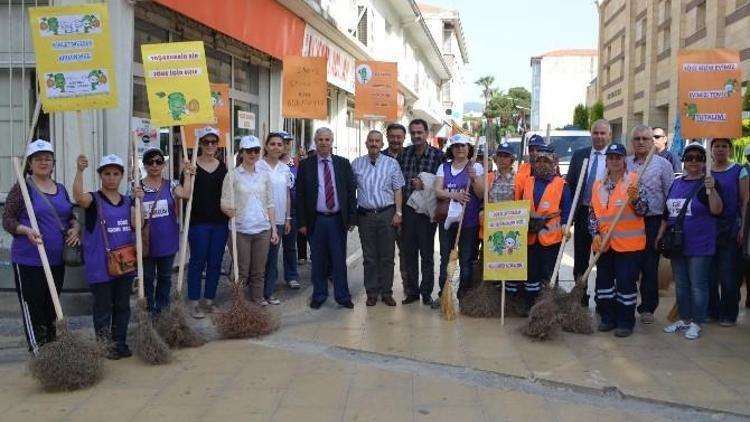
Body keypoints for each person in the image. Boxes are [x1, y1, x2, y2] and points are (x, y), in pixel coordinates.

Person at [2, 140, 80, 355]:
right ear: (30, 163)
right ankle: (40, 354)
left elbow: (70, 217)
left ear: (53, 163)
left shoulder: (61, 188)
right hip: (29, 260)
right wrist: (25, 230)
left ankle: (53, 350)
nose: (43, 162)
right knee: (34, 308)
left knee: (51, 308)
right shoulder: (22, 188)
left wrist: (76, 228)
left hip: (56, 260)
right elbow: (7, 219)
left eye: (47, 158)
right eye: (38, 159)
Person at [74, 153, 139, 359]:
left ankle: (120, 342)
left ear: (121, 176)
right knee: (103, 308)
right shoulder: (93, 199)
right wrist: (79, 171)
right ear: (100, 175)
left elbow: (138, 224)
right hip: (100, 265)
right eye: (107, 174)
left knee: (122, 306)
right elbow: (78, 197)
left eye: (116, 174)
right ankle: (104, 345)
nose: (111, 178)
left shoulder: (128, 200)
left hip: (124, 263)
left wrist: (140, 202)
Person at [659, 143, 723, 340]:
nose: (693, 161)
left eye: (698, 157)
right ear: (684, 161)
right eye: (689, 158)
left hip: (700, 244)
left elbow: (717, 210)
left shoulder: (709, 183)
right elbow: (667, 212)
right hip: (678, 244)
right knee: (682, 285)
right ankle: (685, 319)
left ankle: (697, 322)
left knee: (698, 285)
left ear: (704, 162)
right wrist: (660, 235)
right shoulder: (676, 183)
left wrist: (712, 190)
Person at [589, 143, 649, 338]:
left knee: (625, 284)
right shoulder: (598, 184)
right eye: (611, 157)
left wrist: (635, 199)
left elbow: (644, 210)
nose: (614, 161)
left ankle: (625, 322)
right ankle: (608, 318)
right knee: (604, 284)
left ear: (624, 160)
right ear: (606, 160)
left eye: (618, 157)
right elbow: (593, 213)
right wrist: (595, 234)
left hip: (629, 246)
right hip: (604, 244)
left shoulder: (634, 181)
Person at [296, 127, 357, 309]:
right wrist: (302, 222)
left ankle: (342, 296)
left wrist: (352, 218)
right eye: (320, 139)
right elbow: (300, 195)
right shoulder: (306, 165)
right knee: (318, 260)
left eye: (327, 139)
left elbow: (350, 192)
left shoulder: (343, 163)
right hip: (317, 220)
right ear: (315, 141)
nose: (323, 142)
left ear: (332, 142)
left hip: (338, 219)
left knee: (339, 259)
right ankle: (319, 294)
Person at [221, 135, 278, 305]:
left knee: (259, 270)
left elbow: (270, 202)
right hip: (240, 230)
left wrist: (274, 229)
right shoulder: (232, 175)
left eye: (256, 151)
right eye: (249, 151)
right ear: (241, 153)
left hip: (262, 229)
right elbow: (224, 201)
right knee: (242, 270)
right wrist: (227, 210)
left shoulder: (264, 175)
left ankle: (258, 298)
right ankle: (239, 301)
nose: (253, 154)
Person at [626, 125, 674, 324]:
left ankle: (647, 307)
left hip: (653, 221)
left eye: (645, 138)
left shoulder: (663, 165)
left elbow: (670, 195)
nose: (641, 142)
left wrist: (665, 227)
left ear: (652, 141)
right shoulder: (625, 163)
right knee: (629, 265)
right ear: (632, 142)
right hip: (628, 221)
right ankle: (626, 304)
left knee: (648, 265)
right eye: (637, 138)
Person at [515, 144, 572, 313]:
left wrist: (565, 225)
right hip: (530, 236)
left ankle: (549, 305)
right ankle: (530, 304)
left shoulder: (561, 184)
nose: (542, 164)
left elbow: (567, 208)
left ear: (554, 163)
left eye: (546, 161)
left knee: (549, 274)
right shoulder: (527, 182)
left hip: (551, 238)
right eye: (539, 161)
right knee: (531, 272)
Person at [138, 148, 194, 316]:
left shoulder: (172, 185)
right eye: (150, 162)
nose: (154, 165)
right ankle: (148, 311)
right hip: (146, 243)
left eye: (158, 161)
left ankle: (162, 311)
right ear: (145, 165)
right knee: (147, 278)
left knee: (165, 278)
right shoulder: (136, 187)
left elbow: (185, 194)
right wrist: (138, 200)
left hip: (167, 242)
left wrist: (189, 174)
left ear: (163, 164)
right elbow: (133, 216)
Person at [352, 130, 405, 306]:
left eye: (377, 141)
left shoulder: (392, 164)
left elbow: (398, 189)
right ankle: (372, 292)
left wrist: (398, 213)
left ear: (382, 144)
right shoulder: (356, 164)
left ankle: (386, 292)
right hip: (365, 216)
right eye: (371, 140)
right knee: (369, 257)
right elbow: (350, 190)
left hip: (386, 214)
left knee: (387, 256)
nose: (374, 143)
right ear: (366, 143)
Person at [434, 134, 484, 306]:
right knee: (445, 258)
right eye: (456, 146)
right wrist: (454, 194)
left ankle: (464, 294)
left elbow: (481, 194)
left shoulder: (475, 167)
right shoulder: (443, 167)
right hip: (447, 220)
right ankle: (444, 293)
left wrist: (474, 178)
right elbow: (438, 191)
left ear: (469, 148)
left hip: (468, 222)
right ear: (451, 149)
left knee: (466, 259)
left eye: (463, 146)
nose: (460, 149)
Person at [399, 119, 445, 305]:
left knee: (426, 254)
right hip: (408, 210)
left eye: (420, 132)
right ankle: (412, 291)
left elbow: (443, 182)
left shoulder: (438, 156)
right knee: (409, 252)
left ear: (427, 134)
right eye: (413, 133)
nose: (416, 136)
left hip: (428, 212)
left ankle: (426, 292)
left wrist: (425, 184)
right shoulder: (404, 154)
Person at [567, 119, 611, 307]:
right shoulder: (579, 156)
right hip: (583, 213)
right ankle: (580, 297)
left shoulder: (615, 157)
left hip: (604, 215)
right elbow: (570, 185)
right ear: (591, 135)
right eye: (596, 133)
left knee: (602, 258)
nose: (599, 136)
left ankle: (603, 299)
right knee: (580, 258)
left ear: (609, 135)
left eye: (603, 133)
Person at [185, 127, 229, 318]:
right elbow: (185, 193)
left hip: (220, 222)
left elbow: (228, 192)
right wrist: (187, 175)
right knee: (197, 261)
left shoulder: (223, 167)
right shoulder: (191, 167)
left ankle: (209, 300)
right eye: (206, 142)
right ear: (200, 144)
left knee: (215, 262)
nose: (210, 145)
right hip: (198, 222)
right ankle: (194, 301)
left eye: (213, 142)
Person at [707, 137, 747, 326]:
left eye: (724, 146)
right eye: (717, 146)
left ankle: (728, 314)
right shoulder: (705, 171)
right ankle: (711, 311)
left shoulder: (739, 170)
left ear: (729, 149)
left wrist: (743, 228)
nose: (720, 150)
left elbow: (745, 201)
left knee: (728, 273)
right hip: (707, 231)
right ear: (711, 149)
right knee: (710, 274)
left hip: (731, 229)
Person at [259, 132, 295, 304]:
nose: (276, 147)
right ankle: (255, 294)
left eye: (279, 145)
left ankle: (268, 292)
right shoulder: (258, 166)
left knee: (273, 259)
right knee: (259, 259)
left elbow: (287, 194)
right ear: (266, 146)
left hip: (279, 219)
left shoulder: (285, 168)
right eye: (272, 144)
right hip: (261, 219)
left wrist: (287, 218)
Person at [278, 131, 301, 289]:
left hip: (292, 212)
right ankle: (268, 277)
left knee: (290, 246)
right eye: (281, 142)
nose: (285, 146)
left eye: (287, 143)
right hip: (272, 212)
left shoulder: (297, 163)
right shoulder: (268, 163)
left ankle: (291, 276)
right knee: (269, 249)